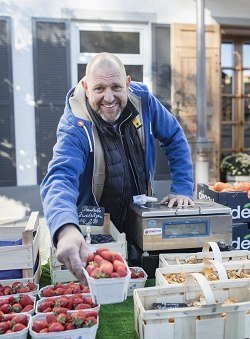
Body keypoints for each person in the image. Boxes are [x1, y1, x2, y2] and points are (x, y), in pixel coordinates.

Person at [40, 52, 194, 281]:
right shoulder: (74, 125)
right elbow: (59, 177)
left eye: (116, 87)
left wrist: (182, 187)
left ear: (128, 83)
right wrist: (66, 228)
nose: (109, 98)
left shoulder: (144, 100)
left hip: (139, 220)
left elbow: (173, 136)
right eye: (99, 88)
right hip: (95, 232)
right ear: (86, 86)